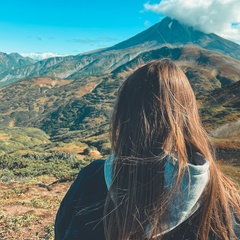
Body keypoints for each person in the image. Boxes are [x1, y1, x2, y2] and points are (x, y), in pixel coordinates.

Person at [54, 59, 240, 240]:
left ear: (124, 115)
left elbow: (62, 231)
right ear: (188, 114)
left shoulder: (91, 180)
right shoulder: (224, 199)